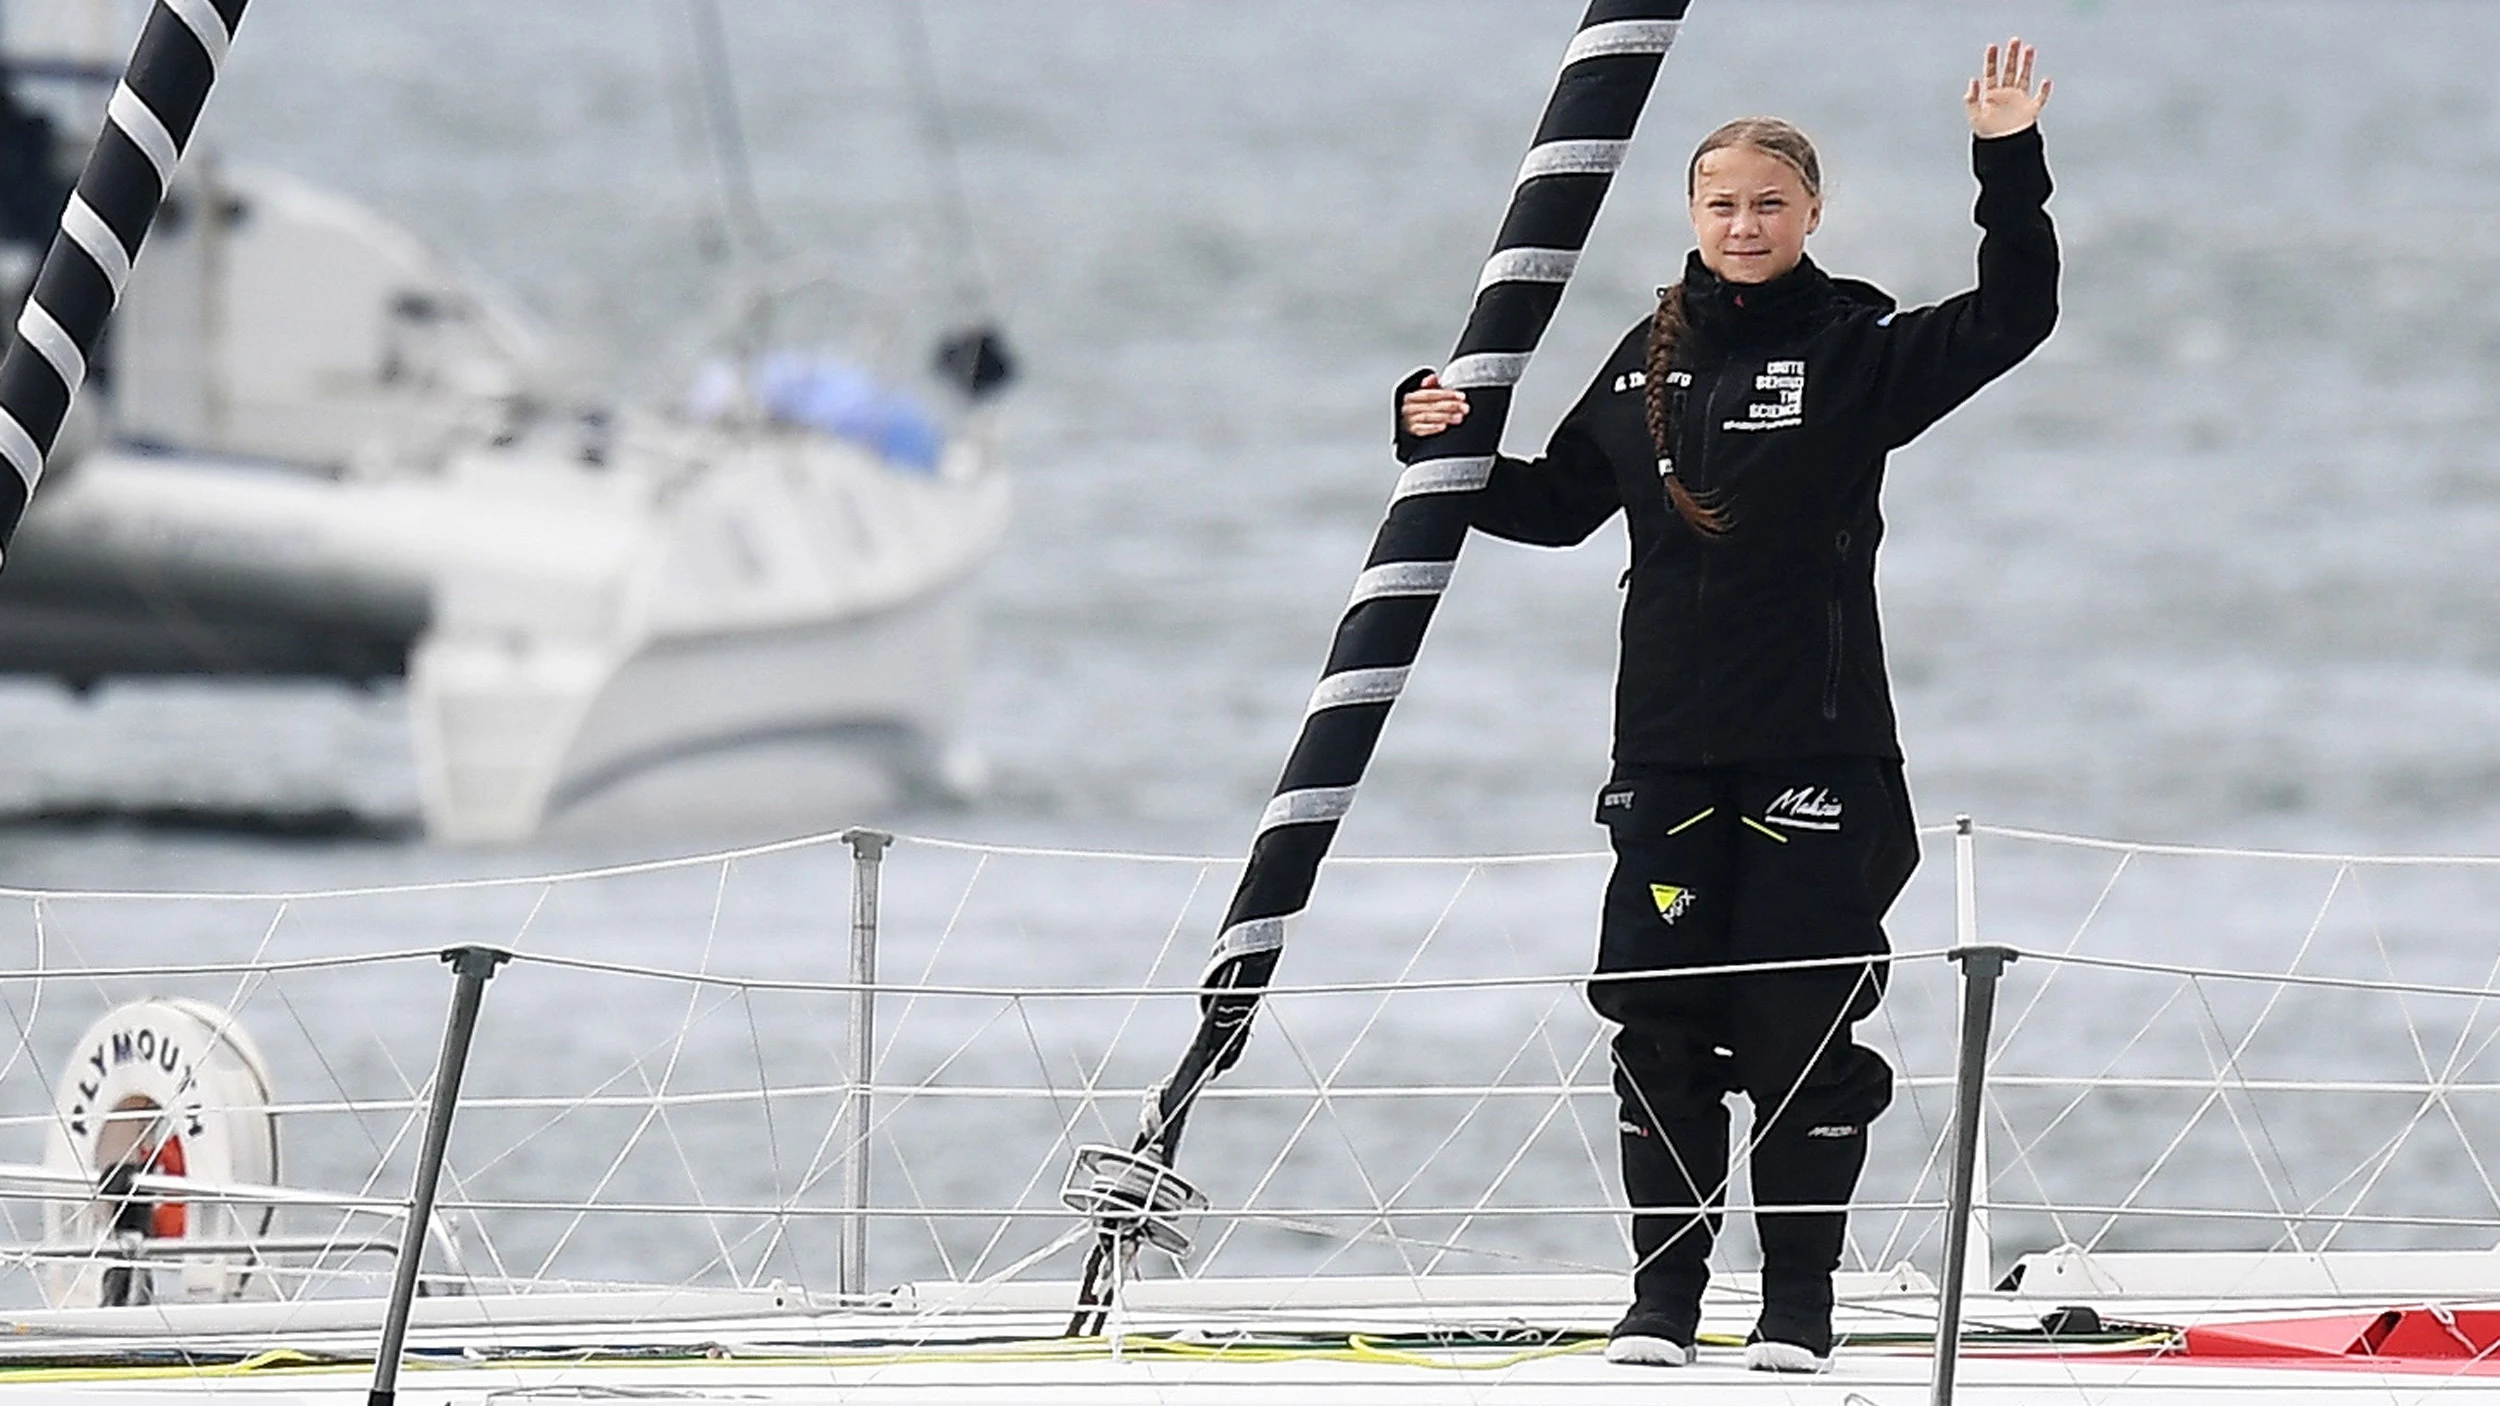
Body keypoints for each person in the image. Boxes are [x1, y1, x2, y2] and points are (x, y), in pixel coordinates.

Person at [1396, 39, 2057, 1373]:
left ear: (1812, 213)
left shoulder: (1857, 350)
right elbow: (1546, 507)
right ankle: (1662, 1304)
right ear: (1692, 216)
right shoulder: (1651, 359)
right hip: (1665, 760)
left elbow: (2013, 315)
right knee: (1659, 1028)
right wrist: (1433, 435)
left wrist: (2007, 159)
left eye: (1768, 204)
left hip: (1818, 755)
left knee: (1797, 1032)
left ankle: (1798, 1311)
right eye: (1720, 204)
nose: (1743, 226)